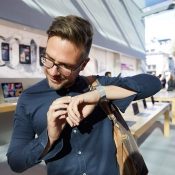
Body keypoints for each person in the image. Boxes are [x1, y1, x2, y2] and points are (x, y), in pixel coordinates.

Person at [7, 15, 161, 175]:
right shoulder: (29, 98)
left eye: (65, 66)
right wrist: (49, 137)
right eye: (49, 59)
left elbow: (153, 83)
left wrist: (98, 94)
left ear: (83, 65)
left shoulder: (97, 84)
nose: (53, 72)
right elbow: (15, 162)